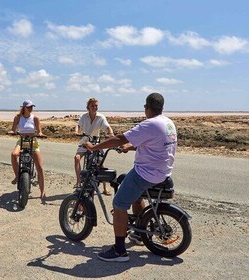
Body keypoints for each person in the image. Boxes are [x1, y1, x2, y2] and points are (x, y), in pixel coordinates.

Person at [84, 92, 177, 262]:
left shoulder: (149, 124)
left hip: (146, 174)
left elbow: (119, 138)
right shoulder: (168, 123)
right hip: (162, 172)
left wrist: (94, 148)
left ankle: (119, 251)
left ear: (146, 108)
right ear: (162, 107)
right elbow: (154, 145)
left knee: (119, 203)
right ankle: (139, 233)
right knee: (124, 181)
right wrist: (130, 147)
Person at [74, 98, 114, 195]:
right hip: (85, 141)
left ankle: (105, 187)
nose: (95, 107)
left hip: (95, 142)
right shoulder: (84, 116)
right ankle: (78, 182)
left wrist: (111, 133)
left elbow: (107, 127)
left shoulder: (101, 117)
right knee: (77, 158)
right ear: (88, 107)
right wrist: (76, 132)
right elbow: (78, 125)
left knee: (100, 163)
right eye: (93, 106)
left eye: (96, 105)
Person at [10, 100, 46, 201]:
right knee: (14, 155)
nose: (30, 109)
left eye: (32, 107)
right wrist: (11, 132)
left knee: (40, 167)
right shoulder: (17, 118)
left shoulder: (35, 118)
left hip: (32, 142)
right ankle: (17, 176)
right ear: (24, 108)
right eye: (29, 107)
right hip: (21, 141)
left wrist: (40, 134)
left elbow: (39, 131)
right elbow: (13, 129)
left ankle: (42, 191)